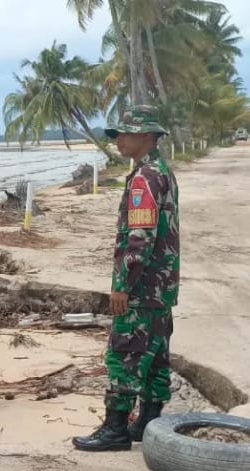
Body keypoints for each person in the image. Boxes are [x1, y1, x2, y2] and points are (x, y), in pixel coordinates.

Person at [73, 105, 181, 452]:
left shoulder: (145, 178)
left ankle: (116, 429)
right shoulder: (162, 171)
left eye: (125, 134)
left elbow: (140, 237)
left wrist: (123, 285)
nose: (118, 140)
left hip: (142, 288)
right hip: (161, 288)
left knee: (124, 354)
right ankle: (147, 423)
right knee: (155, 356)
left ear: (147, 136)